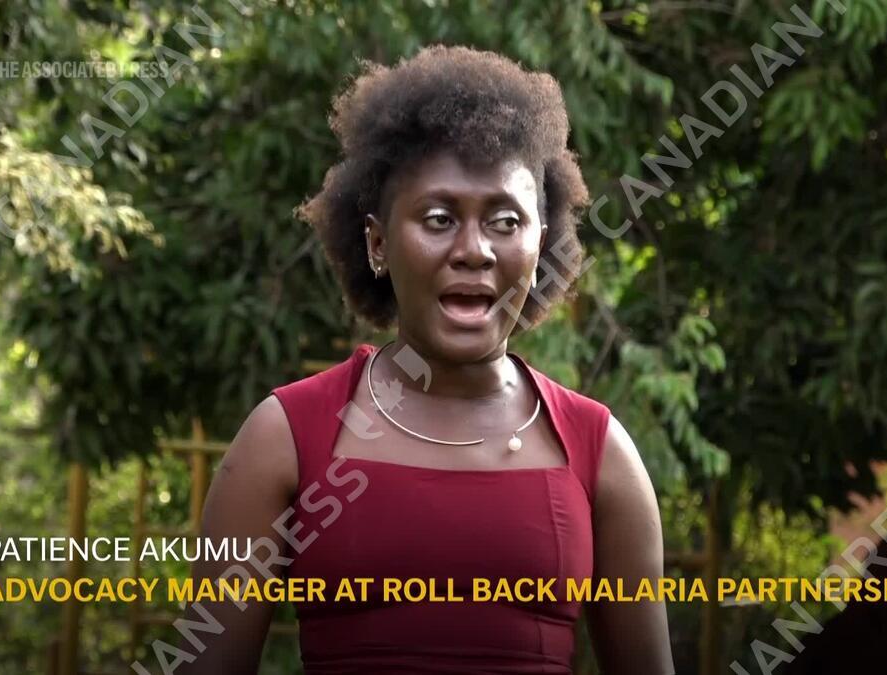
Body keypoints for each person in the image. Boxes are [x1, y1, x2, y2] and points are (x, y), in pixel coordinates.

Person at [179, 45, 675, 675]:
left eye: (505, 221)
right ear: (378, 243)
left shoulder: (597, 450)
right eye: (439, 219)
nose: (474, 250)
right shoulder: (286, 438)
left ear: (540, 247)